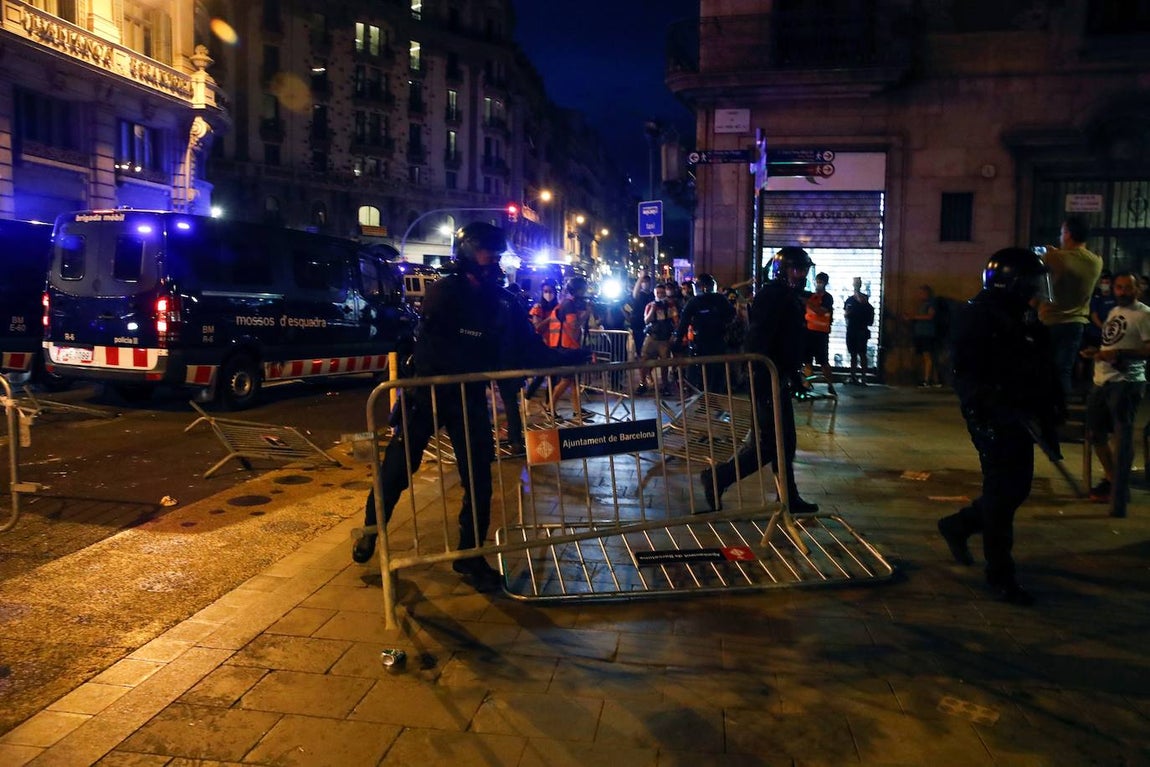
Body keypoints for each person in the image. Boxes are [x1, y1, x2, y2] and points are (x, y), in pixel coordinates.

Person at [350, 223, 585, 591]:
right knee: (398, 468)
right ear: (467, 252)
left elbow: (526, 347)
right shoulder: (445, 292)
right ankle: (369, 528)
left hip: (469, 397)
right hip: (426, 394)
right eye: (485, 251)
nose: (493, 259)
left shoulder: (504, 300)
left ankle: (470, 554)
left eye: (496, 252)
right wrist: (487, 357)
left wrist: (570, 357)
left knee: (478, 478)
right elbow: (438, 346)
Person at [937, 247, 1063, 606]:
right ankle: (1000, 573)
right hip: (992, 416)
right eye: (1030, 282)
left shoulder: (1023, 315)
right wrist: (992, 403)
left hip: (1022, 413)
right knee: (1002, 492)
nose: (1036, 290)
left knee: (1015, 489)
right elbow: (965, 372)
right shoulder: (976, 316)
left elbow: (1041, 363)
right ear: (1009, 282)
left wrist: (1051, 407)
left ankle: (958, 525)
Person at [700, 246, 819, 515]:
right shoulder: (773, 294)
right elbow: (758, 337)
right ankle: (718, 477)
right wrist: (762, 371)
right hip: (766, 378)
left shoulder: (787, 295)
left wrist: (794, 377)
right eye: (796, 269)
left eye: (803, 269)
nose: (801, 275)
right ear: (782, 270)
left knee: (784, 442)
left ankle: (789, 497)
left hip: (778, 376)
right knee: (769, 444)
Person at [1080, 271, 1150, 517]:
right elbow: (1111, 342)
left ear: (1137, 289)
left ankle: (1118, 497)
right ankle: (1113, 481)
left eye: (1126, 287)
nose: (1121, 291)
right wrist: (1098, 353)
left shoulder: (1144, 314)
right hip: (1102, 380)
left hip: (1126, 382)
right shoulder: (1113, 312)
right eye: (1118, 287)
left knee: (1122, 438)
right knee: (1094, 433)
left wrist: (1120, 355)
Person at [1038, 216, 1102, 399]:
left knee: (1044, 369)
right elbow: (1074, 261)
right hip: (1076, 323)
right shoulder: (1096, 261)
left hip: (1049, 321)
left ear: (1068, 234)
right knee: (1064, 370)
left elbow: (1043, 277)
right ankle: (1061, 411)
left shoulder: (1052, 257)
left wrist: (1050, 254)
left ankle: (1043, 409)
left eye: (1061, 232)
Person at [676, 273, 736, 392]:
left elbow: (684, 322)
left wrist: (678, 340)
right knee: (714, 376)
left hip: (705, 343)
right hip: (714, 342)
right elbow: (731, 315)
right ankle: (710, 402)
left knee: (705, 376)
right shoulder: (719, 299)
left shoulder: (697, 301)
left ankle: (706, 402)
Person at [544, 276, 594, 421]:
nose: (586, 290)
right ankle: (549, 408)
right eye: (584, 288)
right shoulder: (568, 304)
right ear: (578, 289)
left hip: (571, 347)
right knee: (566, 380)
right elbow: (573, 325)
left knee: (574, 381)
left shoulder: (571, 304)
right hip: (566, 349)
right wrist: (587, 313)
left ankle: (577, 411)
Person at [638, 282, 679, 395]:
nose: (660, 295)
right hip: (651, 337)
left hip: (664, 339)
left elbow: (675, 321)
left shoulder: (670, 306)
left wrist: (674, 335)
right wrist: (654, 308)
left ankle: (665, 385)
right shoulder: (650, 305)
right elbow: (646, 320)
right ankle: (642, 383)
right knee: (644, 360)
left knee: (664, 363)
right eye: (658, 293)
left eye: (662, 292)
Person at [802, 272, 835, 395]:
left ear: (825, 283)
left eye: (821, 282)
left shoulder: (827, 298)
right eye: (817, 281)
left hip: (821, 334)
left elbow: (821, 311)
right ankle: (806, 384)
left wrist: (808, 303)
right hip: (808, 332)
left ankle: (830, 385)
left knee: (823, 362)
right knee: (807, 361)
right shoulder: (811, 296)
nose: (818, 284)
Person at [906, 285, 942, 387]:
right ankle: (934, 380)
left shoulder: (931, 303)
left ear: (926, 293)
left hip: (927, 333)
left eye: (921, 293)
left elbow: (930, 316)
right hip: (921, 333)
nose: (919, 295)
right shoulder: (923, 304)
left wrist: (914, 317)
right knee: (926, 357)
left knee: (928, 356)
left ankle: (927, 380)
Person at [843, 277, 875, 385]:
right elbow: (846, 314)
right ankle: (854, 376)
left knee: (861, 354)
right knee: (854, 354)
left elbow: (870, 320)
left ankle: (862, 377)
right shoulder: (850, 300)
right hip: (853, 330)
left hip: (860, 330)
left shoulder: (865, 304)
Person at [625, 274, 654, 358]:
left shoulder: (652, 295)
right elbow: (635, 293)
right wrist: (641, 277)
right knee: (640, 345)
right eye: (644, 282)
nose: (646, 284)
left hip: (649, 324)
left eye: (647, 282)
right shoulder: (639, 295)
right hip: (638, 324)